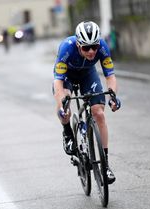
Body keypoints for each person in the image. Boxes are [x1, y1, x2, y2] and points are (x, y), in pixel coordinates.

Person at [52, 21, 121, 184]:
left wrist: (113, 97)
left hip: (87, 74)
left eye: (94, 47)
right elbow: (58, 83)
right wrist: (62, 105)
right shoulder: (66, 48)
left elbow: (110, 76)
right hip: (67, 76)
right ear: (78, 45)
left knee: (99, 113)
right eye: (85, 48)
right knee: (65, 104)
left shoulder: (103, 47)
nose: (91, 51)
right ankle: (67, 132)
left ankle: (105, 165)